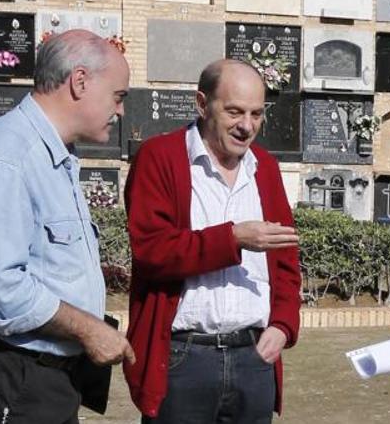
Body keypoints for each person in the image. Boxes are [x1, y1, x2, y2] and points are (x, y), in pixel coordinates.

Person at [0, 29, 133, 423]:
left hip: (45, 378)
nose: (121, 112)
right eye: (118, 97)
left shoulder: (53, 154)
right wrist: (89, 330)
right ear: (79, 81)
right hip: (12, 374)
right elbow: (1, 289)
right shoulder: (8, 154)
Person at [123, 60, 302, 423]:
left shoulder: (264, 167)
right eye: (234, 112)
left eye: (256, 113)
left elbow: (285, 261)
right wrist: (233, 238)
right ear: (202, 104)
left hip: (253, 356)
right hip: (184, 357)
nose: (247, 126)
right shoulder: (159, 158)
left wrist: (283, 325)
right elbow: (152, 251)